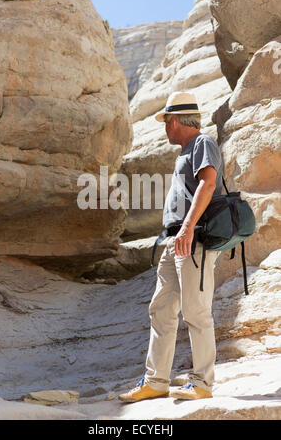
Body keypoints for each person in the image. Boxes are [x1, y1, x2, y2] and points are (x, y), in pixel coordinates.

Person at [118, 92, 223, 402]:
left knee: (196, 311)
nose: (165, 128)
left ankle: (202, 383)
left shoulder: (202, 144)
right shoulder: (184, 152)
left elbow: (208, 184)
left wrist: (188, 227)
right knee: (161, 309)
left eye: (166, 122)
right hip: (175, 241)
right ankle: (156, 381)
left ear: (174, 121)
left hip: (195, 239)